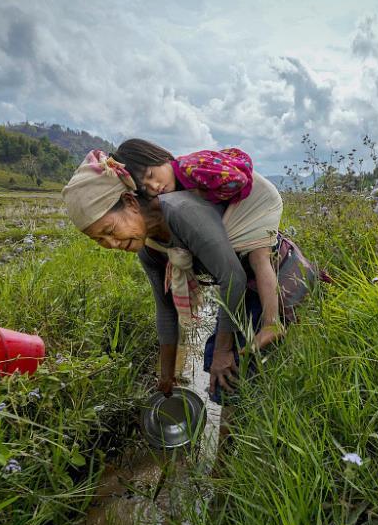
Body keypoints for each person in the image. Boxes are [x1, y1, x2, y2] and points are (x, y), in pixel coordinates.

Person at [60, 149, 282, 398]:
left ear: (130, 202)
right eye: (99, 240)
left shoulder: (181, 212)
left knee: (235, 373)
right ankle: (227, 420)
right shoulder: (150, 247)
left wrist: (223, 351)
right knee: (222, 376)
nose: (111, 243)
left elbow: (232, 278)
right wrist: (166, 374)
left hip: (271, 278)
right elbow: (166, 309)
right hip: (240, 285)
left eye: (110, 230)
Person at [112, 139, 284, 352]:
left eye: (151, 175)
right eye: (146, 188)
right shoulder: (172, 192)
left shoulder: (192, 168)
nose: (155, 187)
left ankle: (271, 324)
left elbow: (239, 180)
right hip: (239, 203)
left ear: (161, 157)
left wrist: (201, 195)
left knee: (259, 257)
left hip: (257, 200)